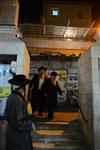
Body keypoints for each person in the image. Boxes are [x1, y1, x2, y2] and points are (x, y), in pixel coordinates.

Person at [5, 74, 33, 150]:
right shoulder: (16, 100)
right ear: (22, 87)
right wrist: (30, 123)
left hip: (18, 139)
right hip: (18, 140)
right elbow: (17, 123)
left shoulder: (16, 98)